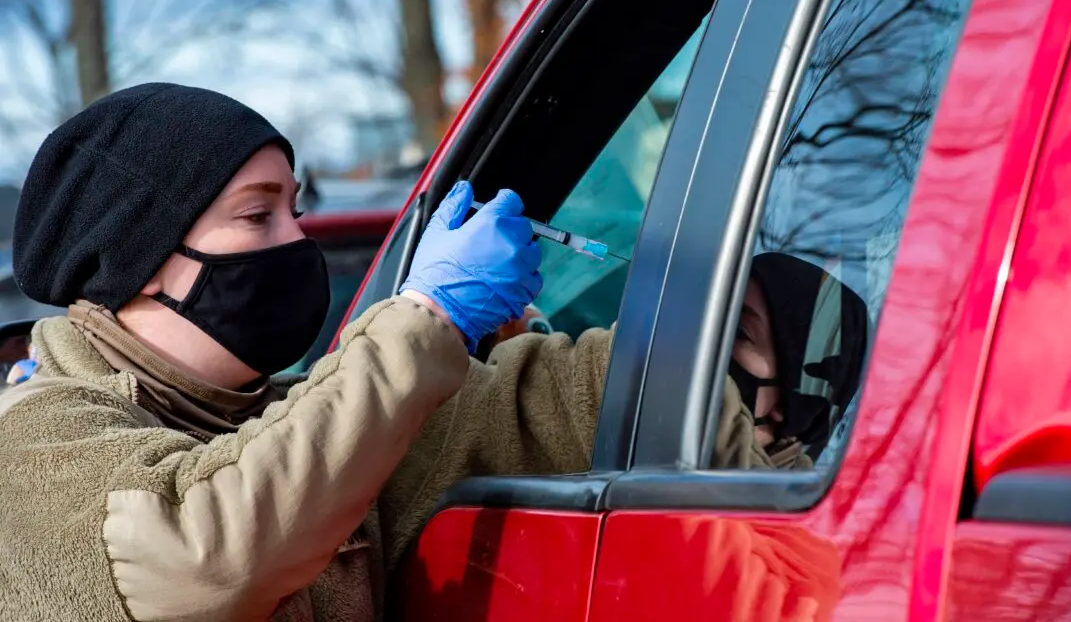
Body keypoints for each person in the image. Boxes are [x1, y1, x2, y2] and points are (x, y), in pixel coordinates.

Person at [0, 83, 541, 621]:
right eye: (258, 215)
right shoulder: (34, 435)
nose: (299, 242)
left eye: (295, 212)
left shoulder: (297, 421)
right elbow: (203, 557)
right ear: (134, 259)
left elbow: (528, 411)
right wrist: (431, 316)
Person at [373, 251, 870, 600]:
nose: (701, 341)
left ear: (793, 404)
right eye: (708, 316)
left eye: (735, 331)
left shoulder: (804, 546)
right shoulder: (647, 434)